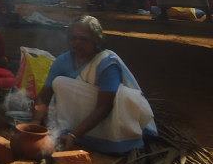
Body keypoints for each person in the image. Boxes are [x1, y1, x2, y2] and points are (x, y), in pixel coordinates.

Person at [32, 16, 156, 154]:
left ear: (96, 40)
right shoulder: (63, 61)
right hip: (79, 119)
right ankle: (69, 132)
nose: (77, 43)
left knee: (61, 83)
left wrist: (74, 135)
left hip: (110, 119)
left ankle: (98, 139)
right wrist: (36, 122)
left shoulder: (106, 63)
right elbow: (45, 96)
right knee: (59, 84)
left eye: (83, 39)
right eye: (73, 38)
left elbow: (105, 106)